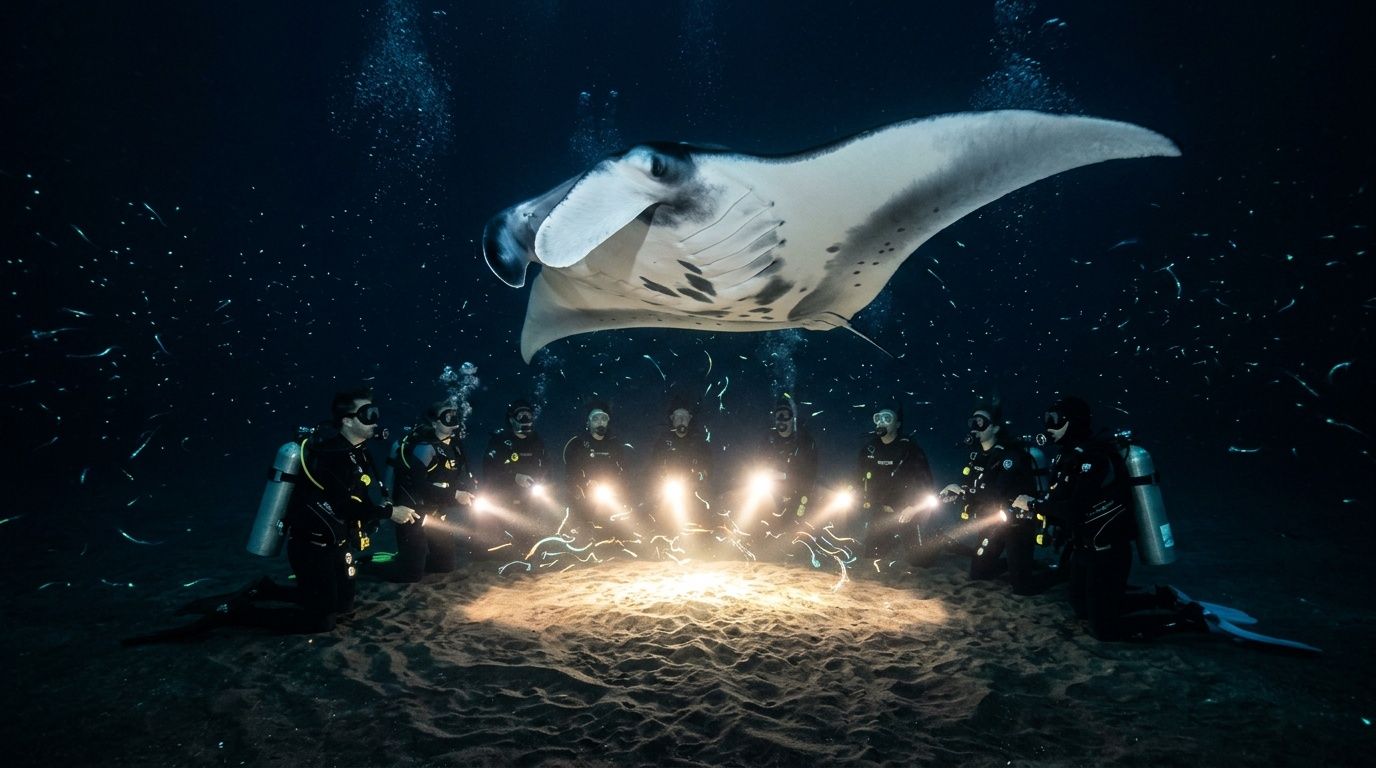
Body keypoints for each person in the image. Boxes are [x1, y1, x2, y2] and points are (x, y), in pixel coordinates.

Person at [126, 387, 418, 643]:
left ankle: (267, 589)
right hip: (312, 547)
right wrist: (389, 512)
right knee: (321, 622)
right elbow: (342, 504)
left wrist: (368, 522)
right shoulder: (331, 456)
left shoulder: (359, 452)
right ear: (347, 420)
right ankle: (240, 614)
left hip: (337, 544)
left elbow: (360, 496)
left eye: (375, 412)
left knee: (343, 606)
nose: (375, 420)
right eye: (367, 413)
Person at [1012, 396, 1203, 641]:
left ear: (1075, 422)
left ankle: (1186, 620)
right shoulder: (1067, 457)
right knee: (1082, 609)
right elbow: (1059, 502)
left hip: (1107, 552)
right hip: (1082, 548)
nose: (1048, 427)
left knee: (1104, 630)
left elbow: (1075, 510)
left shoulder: (1094, 458)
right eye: (1047, 420)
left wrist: (1034, 504)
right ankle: (1160, 598)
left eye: (1055, 420)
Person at [939, 399, 1042, 593]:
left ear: (995, 428)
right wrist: (957, 493)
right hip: (992, 522)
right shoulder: (977, 456)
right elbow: (973, 487)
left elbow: (997, 493)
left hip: (1016, 526)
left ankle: (1055, 571)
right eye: (973, 422)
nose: (976, 428)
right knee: (979, 573)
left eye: (981, 422)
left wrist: (965, 492)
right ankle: (1016, 564)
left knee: (1022, 587)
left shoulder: (1009, 457)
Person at [390, 398, 476, 581]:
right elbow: (419, 486)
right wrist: (455, 494)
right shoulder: (424, 448)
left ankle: (415, 558)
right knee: (412, 574)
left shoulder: (456, 445)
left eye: (455, 415)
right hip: (412, 510)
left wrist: (465, 491)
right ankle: (379, 562)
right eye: (447, 416)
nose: (452, 419)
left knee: (444, 566)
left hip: (436, 509)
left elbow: (459, 476)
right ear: (435, 422)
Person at [857, 401, 934, 568]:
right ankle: (892, 539)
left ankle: (940, 541)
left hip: (907, 513)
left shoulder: (909, 448)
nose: (880, 422)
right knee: (871, 554)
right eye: (878, 418)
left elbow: (926, 483)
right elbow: (858, 479)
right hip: (881, 512)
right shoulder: (869, 449)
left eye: (887, 418)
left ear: (897, 424)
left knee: (919, 561)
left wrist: (914, 507)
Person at [562, 401, 632, 539]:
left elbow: (624, 470)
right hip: (582, 496)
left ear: (608, 422)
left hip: (610, 495)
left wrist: (618, 486)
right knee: (581, 531)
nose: (600, 422)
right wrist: (585, 483)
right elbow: (571, 472)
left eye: (604, 418)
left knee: (619, 530)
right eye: (595, 418)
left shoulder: (615, 444)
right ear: (588, 422)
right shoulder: (577, 443)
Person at [649, 395, 714, 539]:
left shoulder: (699, 441)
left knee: (703, 511)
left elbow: (708, 465)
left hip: (695, 488)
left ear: (690, 418)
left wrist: (700, 476)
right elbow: (654, 466)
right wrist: (662, 476)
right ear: (672, 419)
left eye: (684, 416)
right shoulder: (663, 441)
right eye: (678, 416)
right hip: (669, 488)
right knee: (661, 510)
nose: (681, 420)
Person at [482, 397, 549, 522]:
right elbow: (489, 471)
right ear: (512, 420)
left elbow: (546, 467)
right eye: (520, 416)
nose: (525, 419)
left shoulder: (537, 441)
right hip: (502, 501)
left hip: (531, 501)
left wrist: (541, 481)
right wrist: (514, 477)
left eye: (528, 415)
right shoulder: (499, 441)